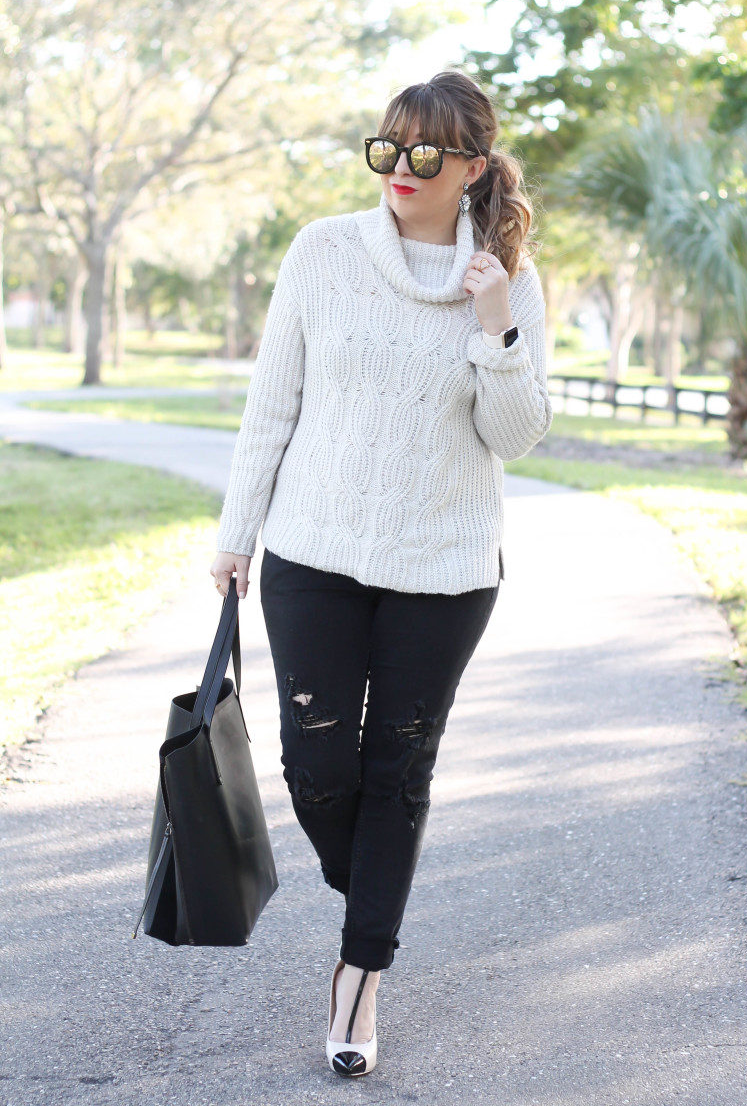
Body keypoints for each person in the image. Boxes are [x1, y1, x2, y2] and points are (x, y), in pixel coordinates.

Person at [209, 68, 553, 1077]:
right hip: (312, 555)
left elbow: (518, 437)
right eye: (386, 149)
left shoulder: (507, 275)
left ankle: (359, 980)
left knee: (398, 772)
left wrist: (492, 325)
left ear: (473, 167)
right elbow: (270, 406)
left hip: (443, 571)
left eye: (425, 154)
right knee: (317, 768)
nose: (400, 171)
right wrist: (237, 533)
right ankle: (370, 889)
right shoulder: (321, 252)